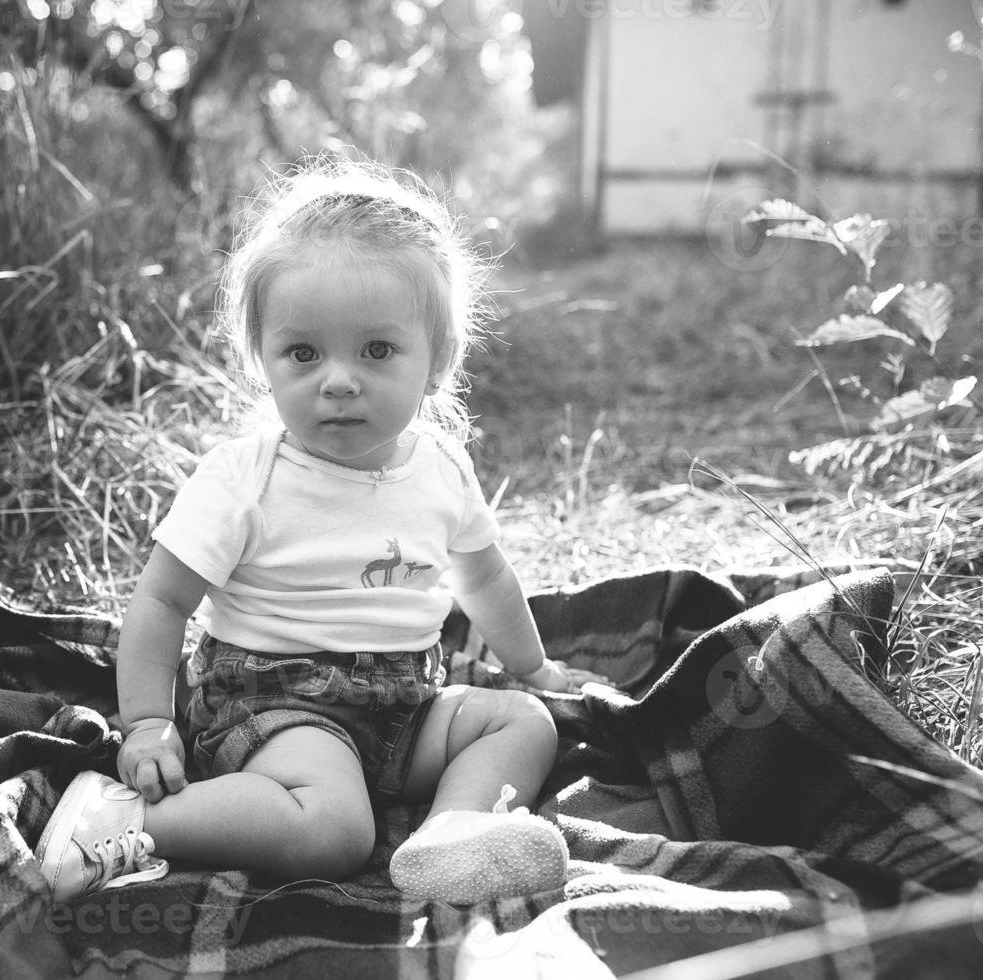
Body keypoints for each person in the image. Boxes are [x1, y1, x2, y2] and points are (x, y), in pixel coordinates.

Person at [37, 157, 600, 909]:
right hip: (270, 704)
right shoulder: (249, 477)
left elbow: (486, 577)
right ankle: (131, 816)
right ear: (263, 360)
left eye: (376, 350)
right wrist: (146, 723)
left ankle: (453, 833)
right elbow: (163, 601)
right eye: (305, 353)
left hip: (404, 707)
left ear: (439, 360)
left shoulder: (441, 468)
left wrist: (534, 671)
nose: (338, 380)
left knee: (521, 724)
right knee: (336, 831)